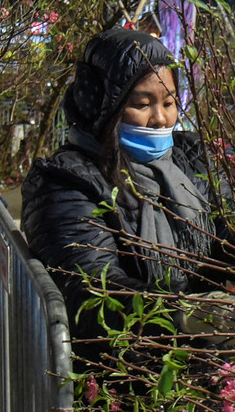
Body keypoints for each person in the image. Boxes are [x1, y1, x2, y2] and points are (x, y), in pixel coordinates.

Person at [21, 29, 224, 347]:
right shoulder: (65, 184)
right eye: (143, 104)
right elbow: (91, 289)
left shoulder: (193, 158)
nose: (160, 118)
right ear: (103, 106)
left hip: (210, 351)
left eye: (169, 102)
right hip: (133, 365)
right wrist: (185, 313)